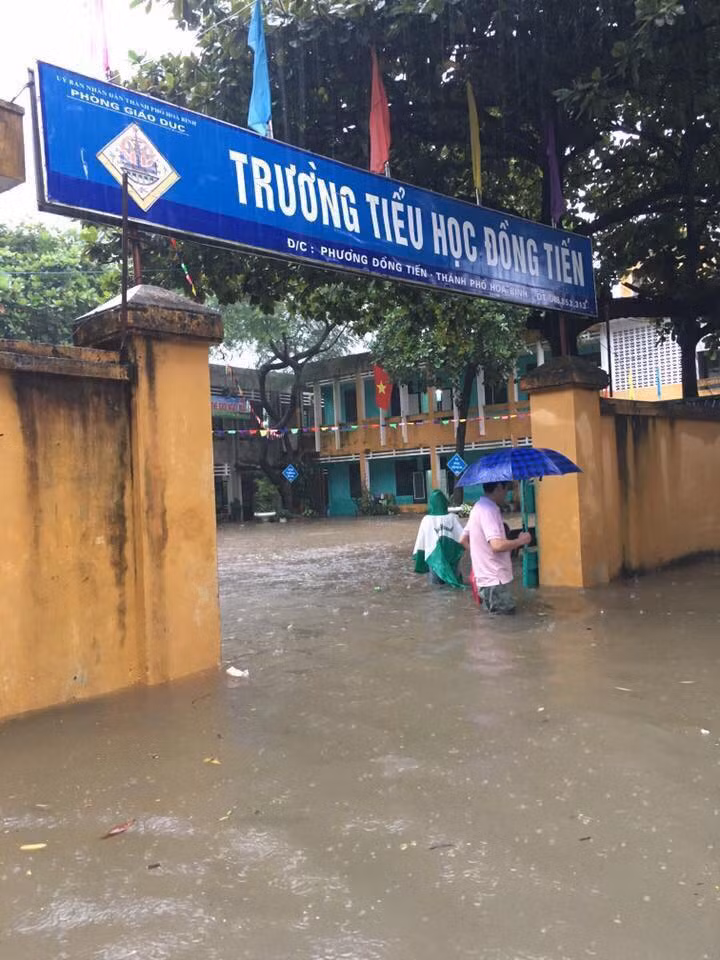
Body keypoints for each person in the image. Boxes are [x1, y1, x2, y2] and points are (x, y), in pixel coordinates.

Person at [460, 481, 532, 613]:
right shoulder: (490, 510)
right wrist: (520, 541)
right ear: (499, 487)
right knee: (506, 624)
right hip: (495, 579)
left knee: (494, 624)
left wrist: (480, 558)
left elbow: (463, 540)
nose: (506, 493)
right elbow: (497, 545)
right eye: (506, 489)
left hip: (483, 579)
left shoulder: (477, 507)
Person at [412, 489, 466, 588]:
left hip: (434, 561)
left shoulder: (426, 520)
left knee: (437, 591)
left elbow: (421, 543)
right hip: (452, 560)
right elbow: (462, 539)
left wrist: (418, 560)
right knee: (453, 588)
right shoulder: (453, 518)